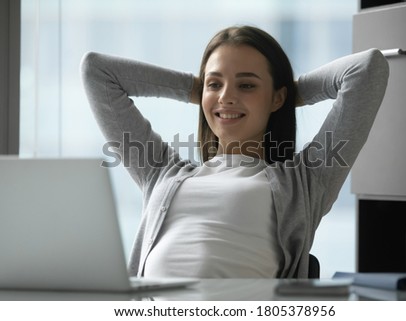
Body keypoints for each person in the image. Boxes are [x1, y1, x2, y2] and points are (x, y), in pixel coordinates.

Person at [80, 25, 389, 278]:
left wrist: (283, 94)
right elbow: (97, 70)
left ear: (277, 98)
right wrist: (196, 88)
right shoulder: (161, 171)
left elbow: (366, 70)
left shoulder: (306, 180)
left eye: (247, 86)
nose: (226, 97)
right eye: (215, 84)